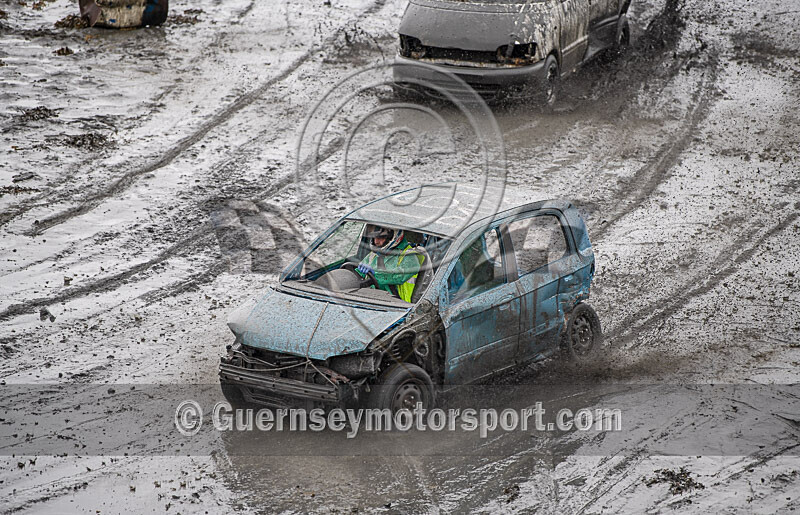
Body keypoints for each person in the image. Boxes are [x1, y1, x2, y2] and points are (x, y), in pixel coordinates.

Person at [355, 225, 421, 302]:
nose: (376, 241)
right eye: (374, 238)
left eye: (381, 237)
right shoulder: (373, 255)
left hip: (398, 305)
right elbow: (358, 274)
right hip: (371, 298)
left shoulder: (409, 256)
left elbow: (397, 277)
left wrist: (375, 273)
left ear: (393, 236)